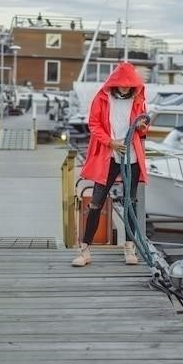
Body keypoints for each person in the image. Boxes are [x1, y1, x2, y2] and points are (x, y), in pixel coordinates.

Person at [72, 61, 149, 267]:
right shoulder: (102, 98)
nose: (125, 87)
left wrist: (142, 127)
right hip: (109, 156)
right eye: (122, 83)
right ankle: (84, 249)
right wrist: (110, 142)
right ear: (115, 82)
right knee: (96, 202)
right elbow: (94, 124)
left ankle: (129, 247)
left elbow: (142, 130)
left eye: (129, 84)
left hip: (131, 157)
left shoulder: (139, 98)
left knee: (130, 203)